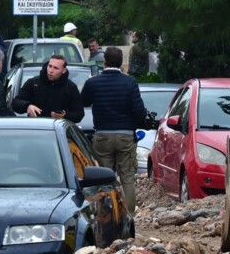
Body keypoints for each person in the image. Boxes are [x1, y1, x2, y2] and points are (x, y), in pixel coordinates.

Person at [81, 46, 146, 225]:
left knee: (102, 179)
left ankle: (103, 217)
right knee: (127, 178)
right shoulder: (130, 82)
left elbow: (84, 101)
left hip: (102, 135)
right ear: (120, 63)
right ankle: (129, 217)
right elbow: (139, 112)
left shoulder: (93, 82)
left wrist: (90, 83)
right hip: (125, 136)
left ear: (105, 61)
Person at [13, 54, 82, 120]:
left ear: (63, 71)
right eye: (50, 66)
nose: (51, 71)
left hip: (58, 128)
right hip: (36, 126)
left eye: (56, 68)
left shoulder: (70, 87)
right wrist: (27, 106)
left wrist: (65, 115)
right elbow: (15, 103)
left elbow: (79, 114)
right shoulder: (33, 83)